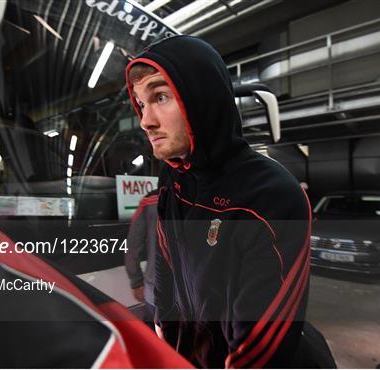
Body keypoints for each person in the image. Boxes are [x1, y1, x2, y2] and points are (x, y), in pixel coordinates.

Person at [125, 35, 312, 368]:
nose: (146, 120)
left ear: (202, 98)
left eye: (161, 96)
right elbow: (166, 271)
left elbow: (261, 353)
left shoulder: (271, 195)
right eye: (141, 103)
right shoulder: (173, 179)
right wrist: (169, 350)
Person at [125, 189, 158, 325]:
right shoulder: (201, 196)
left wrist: (136, 281)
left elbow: (133, 245)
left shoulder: (149, 200)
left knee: (158, 341)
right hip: (194, 291)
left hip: (156, 288)